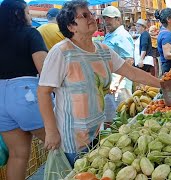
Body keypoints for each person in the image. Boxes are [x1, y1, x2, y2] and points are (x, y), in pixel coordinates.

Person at [37, 0, 160, 167]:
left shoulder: (103, 51)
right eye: (85, 15)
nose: (92, 18)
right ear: (71, 26)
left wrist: (162, 84)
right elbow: (43, 92)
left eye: (91, 14)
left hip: (96, 131)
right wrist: (51, 131)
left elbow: (131, 72)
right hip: (71, 137)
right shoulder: (61, 53)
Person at [0, 0, 48, 179]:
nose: (30, 17)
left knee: (17, 155)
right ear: (17, 14)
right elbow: (45, 70)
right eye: (28, 13)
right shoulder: (30, 34)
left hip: (0, 99)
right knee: (59, 143)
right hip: (25, 94)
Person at [102, 6, 134, 96]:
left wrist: (116, 82)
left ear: (118, 20)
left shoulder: (122, 35)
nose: (106, 22)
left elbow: (129, 61)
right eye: (105, 19)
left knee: (121, 109)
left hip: (120, 84)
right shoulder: (110, 34)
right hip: (110, 82)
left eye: (110, 19)